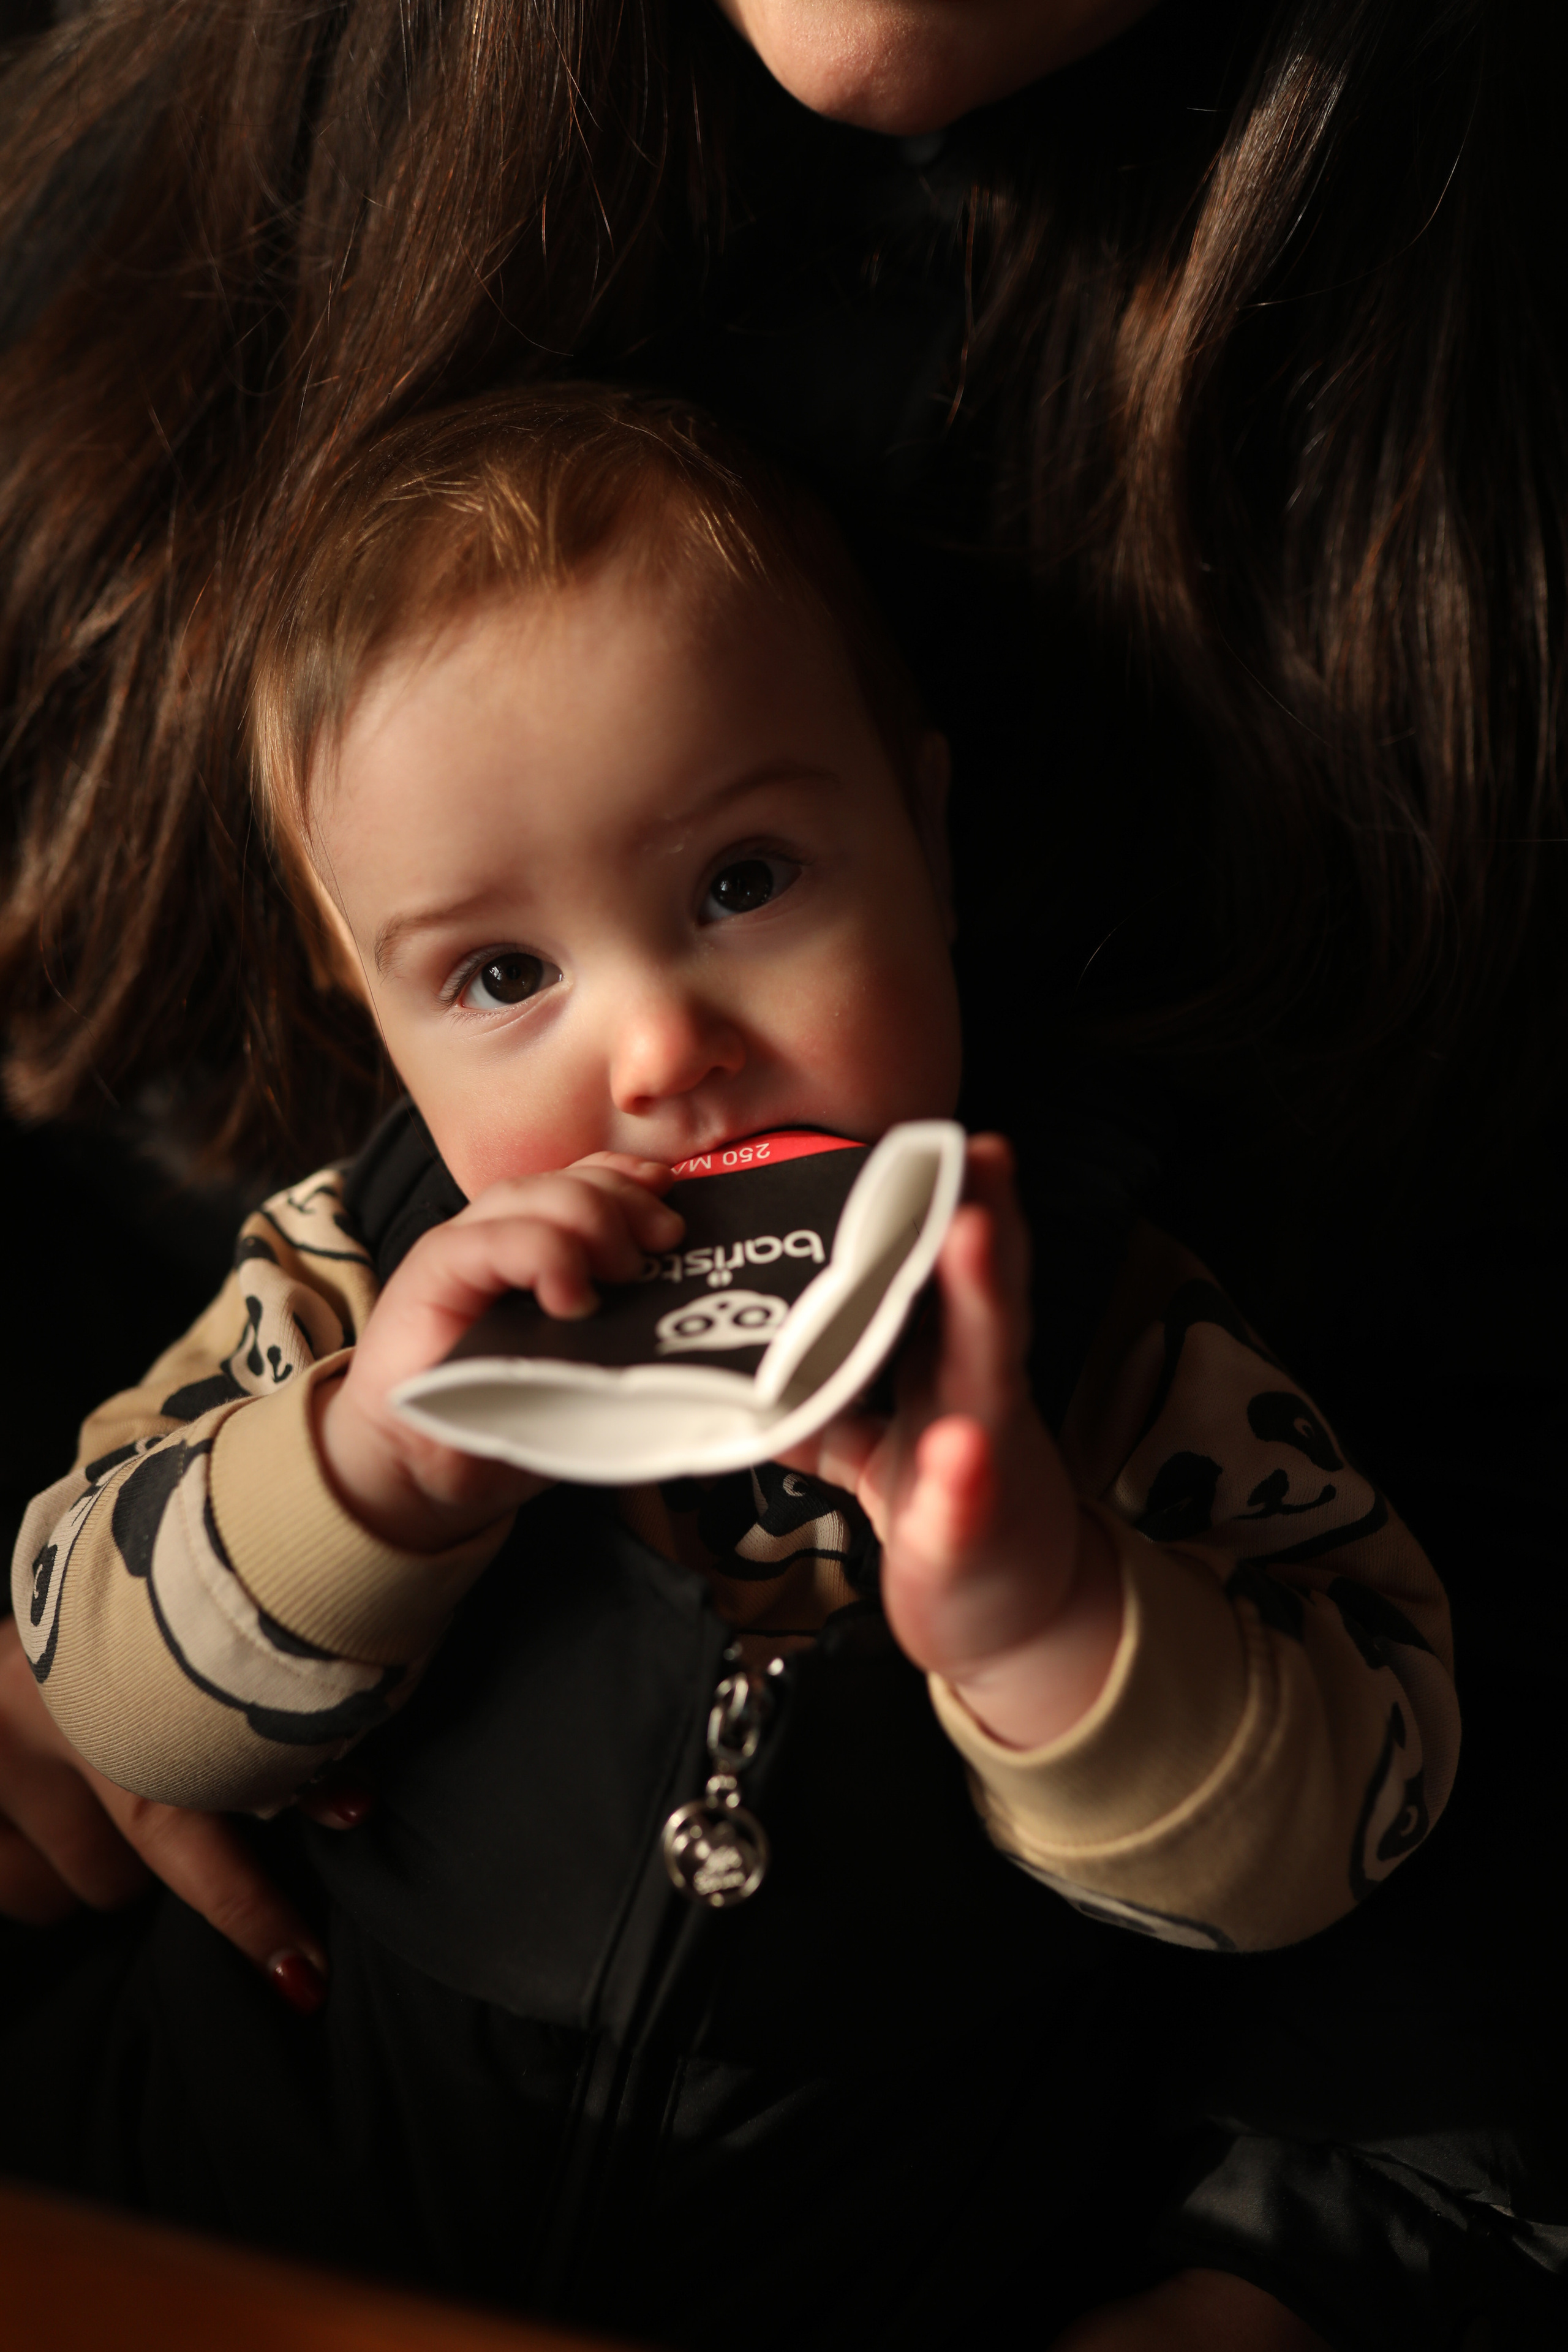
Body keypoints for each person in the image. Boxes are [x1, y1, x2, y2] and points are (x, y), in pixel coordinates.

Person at [0, 0, 1563, 2343]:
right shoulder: (343, 1288)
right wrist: (360, 1478)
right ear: (372, 1021)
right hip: (250, 2224)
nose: (659, 1050)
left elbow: (1352, 1823)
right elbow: (94, 1677)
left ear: (924, 846)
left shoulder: (1125, 1341)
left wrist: (1039, 1608)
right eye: (501, 977)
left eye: (742, 885)